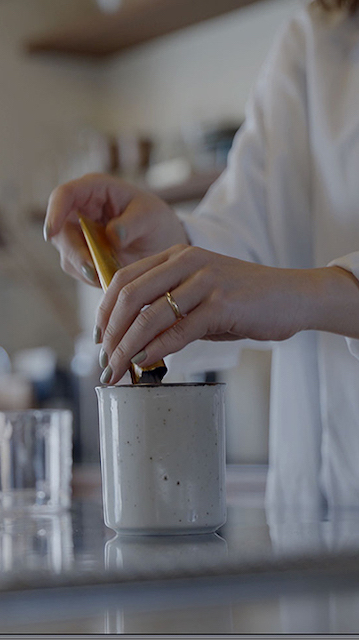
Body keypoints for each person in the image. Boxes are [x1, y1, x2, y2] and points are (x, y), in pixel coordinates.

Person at [44, 0, 359, 511]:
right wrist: (172, 248)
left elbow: (282, 288)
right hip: (309, 521)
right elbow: (255, 239)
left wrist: (309, 293)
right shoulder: (313, 34)